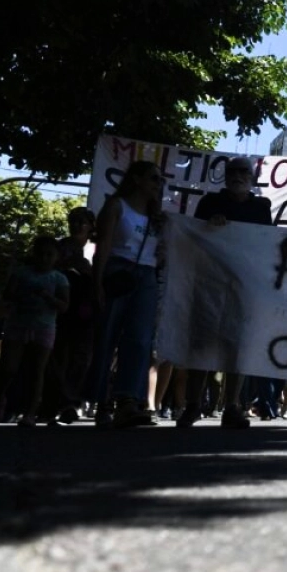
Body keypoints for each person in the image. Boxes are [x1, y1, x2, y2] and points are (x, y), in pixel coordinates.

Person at [177, 155, 272, 429]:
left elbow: (267, 243)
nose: (237, 175)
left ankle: (231, 406)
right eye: (232, 171)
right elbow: (192, 237)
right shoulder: (209, 203)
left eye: (243, 171)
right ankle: (193, 405)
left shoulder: (261, 208)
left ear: (252, 178)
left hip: (244, 286)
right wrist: (208, 226)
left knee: (237, 347)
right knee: (201, 345)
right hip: (209, 284)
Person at [87, 160, 165, 428]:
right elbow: (103, 247)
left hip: (147, 276)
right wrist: (97, 283)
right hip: (118, 272)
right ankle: (100, 402)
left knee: (140, 340)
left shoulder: (157, 217)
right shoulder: (116, 206)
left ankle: (128, 401)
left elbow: (162, 254)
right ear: (137, 180)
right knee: (107, 335)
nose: (158, 184)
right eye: (154, 178)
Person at [0, 236, 69, 426]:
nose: (44, 258)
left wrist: (49, 298)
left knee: (37, 370)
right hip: (18, 324)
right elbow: (7, 297)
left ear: (56, 257)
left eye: (49, 254)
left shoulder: (59, 279)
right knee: (9, 367)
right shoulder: (21, 274)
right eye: (40, 253)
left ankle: (30, 413)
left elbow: (64, 305)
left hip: (44, 326)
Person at [45, 206, 98, 424]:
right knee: (60, 355)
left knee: (81, 357)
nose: (76, 225)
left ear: (90, 226)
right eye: (73, 221)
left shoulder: (97, 248)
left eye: (81, 221)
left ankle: (73, 399)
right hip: (63, 308)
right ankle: (58, 401)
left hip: (87, 310)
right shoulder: (61, 246)